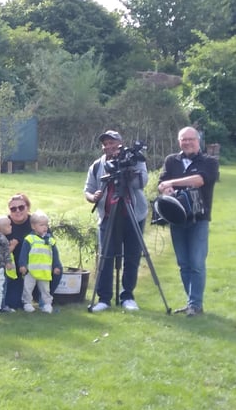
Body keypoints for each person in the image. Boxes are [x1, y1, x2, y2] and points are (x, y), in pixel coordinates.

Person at [158, 126, 219, 317]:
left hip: (199, 219)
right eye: (183, 139)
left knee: (197, 263)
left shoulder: (209, 161)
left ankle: (195, 304)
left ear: (198, 140)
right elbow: (162, 182)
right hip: (176, 218)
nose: (187, 142)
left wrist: (172, 183)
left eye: (190, 139)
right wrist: (165, 189)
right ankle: (191, 303)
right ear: (179, 142)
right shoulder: (171, 160)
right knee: (183, 263)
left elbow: (200, 180)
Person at [84, 130, 148, 312]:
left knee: (132, 256)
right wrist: (92, 197)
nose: (108, 147)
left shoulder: (134, 159)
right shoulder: (97, 166)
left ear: (120, 142)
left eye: (112, 142)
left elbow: (141, 183)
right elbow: (88, 190)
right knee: (105, 257)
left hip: (133, 215)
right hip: (108, 216)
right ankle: (104, 299)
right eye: (105, 144)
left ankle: (127, 296)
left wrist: (127, 170)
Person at [18, 210, 63, 314]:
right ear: (33, 226)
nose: (45, 227)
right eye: (41, 225)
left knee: (45, 289)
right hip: (31, 270)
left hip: (44, 270)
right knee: (28, 288)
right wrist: (23, 265)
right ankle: (27, 303)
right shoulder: (30, 239)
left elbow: (55, 254)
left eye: (46, 225)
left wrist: (56, 266)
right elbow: (24, 253)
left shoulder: (50, 240)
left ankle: (47, 304)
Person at [2, 193, 33, 311]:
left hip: (33, 266)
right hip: (13, 269)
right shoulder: (5, 224)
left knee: (58, 270)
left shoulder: (35, 222)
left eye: (21, 207)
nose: (17, 211)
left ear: (28, 207)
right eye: (13, 209)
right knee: (14, 303)